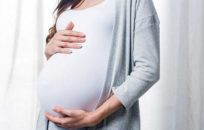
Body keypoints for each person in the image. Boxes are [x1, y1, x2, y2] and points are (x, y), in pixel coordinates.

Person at [36, 0, 160, 129]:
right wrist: (49, 51)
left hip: (101, 121)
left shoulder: (134, 2)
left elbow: (149, 69)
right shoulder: (69, 3)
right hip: (53, 123)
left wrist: (95, 116)